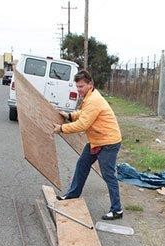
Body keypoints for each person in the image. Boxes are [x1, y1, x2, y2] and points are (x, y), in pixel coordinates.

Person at [53, 69, 123, 220]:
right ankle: (72, 195)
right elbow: (84, 113)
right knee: (82, 164)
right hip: (97, 140)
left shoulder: (93, 100)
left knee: (108, 175)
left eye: (82, 86)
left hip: (109, 142)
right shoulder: (89, 97)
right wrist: (70, 115)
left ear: (90, 84)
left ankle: (117, 210)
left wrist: (62, 128)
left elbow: (83, 124)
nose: (79, 90)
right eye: (77, 86)